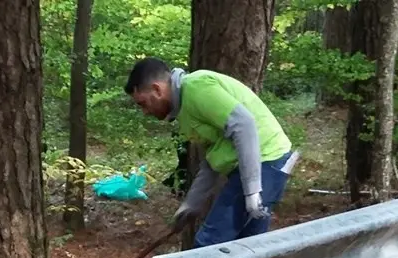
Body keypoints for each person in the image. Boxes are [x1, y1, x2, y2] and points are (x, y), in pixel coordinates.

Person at [125, 57, 297, 248]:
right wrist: (191, 204)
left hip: (266, 159)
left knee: (208, 244)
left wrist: (252, 189)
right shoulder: (185, 111)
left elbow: (244, 124)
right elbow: (213, 158)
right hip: (263, 165)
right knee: (248, 246)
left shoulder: (196, 87)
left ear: (157, 89)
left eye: (142, 103)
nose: (145, 112)